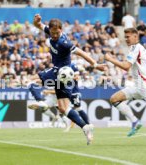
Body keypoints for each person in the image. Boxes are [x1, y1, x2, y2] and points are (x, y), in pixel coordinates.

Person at [27, 14, 106, 145]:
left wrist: (95, 64)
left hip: (61, 71)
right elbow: (39, 26)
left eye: (57, 32)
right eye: (52, 33)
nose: (54, 35)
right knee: (63, 108)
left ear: (61, 30)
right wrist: (36, 22)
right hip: (62, 75)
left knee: (31, 81)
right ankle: (85, 127)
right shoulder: (50, 32)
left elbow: (81, 52)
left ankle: (41, 102)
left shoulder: (64, 43)